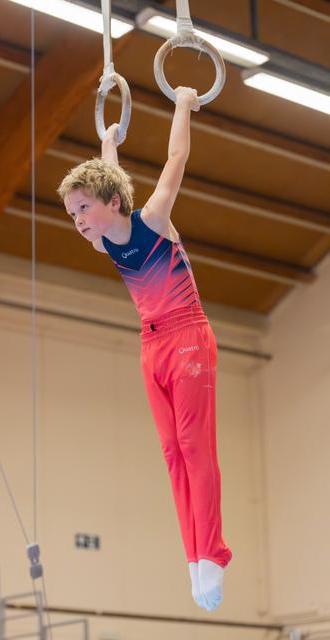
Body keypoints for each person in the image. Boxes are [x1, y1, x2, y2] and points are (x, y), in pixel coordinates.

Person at [57, 87, 232, 611]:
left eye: (83, 208)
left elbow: (176, 158)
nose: (79, 221)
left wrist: (181, 102)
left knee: (195, 445)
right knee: (172, 454)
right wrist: (107, 143)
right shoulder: (101, 239)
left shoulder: (154, 219)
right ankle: (193, 558)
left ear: (111, 203)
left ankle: (214, 554)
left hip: (189, 338)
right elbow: (108, 185)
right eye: (71, 214)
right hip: (151, 346)